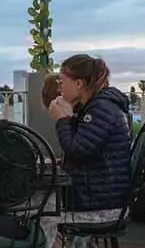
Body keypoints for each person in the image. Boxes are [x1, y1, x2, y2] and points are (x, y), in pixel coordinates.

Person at [50, 54, 132, 224]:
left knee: (38, 215)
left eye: (61, 82)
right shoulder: (97, 107)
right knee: (43, 205)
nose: (60, 88)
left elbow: (77, 151)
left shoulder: (100, 110)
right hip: (100, 198)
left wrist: (61, 120)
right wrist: (70, 118)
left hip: (101, 206)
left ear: (78, 83)